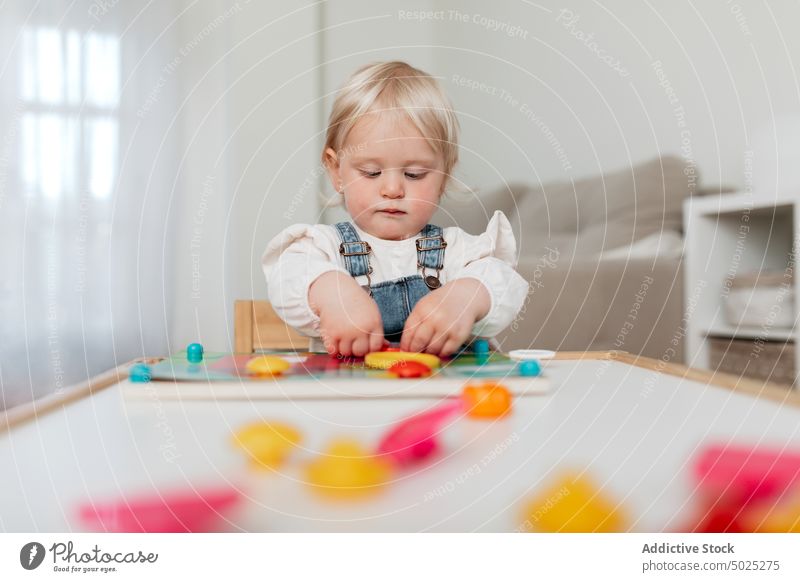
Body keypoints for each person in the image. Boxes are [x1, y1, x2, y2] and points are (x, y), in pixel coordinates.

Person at [262, 61, 528, 357]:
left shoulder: (457, 251)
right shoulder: (323, 248)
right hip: (349, 398)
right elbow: (286, 277)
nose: (392, 190)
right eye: (372, 172)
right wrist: (332, 294)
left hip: (445, 395)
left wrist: (465, 297)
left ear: (444, 176)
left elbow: (505, 283)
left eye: (414, 174)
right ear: (337, 171)